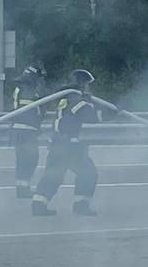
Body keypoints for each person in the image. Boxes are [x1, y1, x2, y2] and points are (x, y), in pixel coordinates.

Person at [32, 69, 105, 217]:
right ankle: (81, 205)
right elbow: (90, 116)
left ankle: (38, 205)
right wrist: (112, 112)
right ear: (82, 84)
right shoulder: (75, 99)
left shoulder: (65, 98)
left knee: (53, 175)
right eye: (87, 85)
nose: (89, 88)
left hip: (58, 144)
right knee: (89, 173)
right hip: (69, 147)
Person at [10, 65, 48, 199]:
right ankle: (23, 189)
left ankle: (22, 188)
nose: (40, 82)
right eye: (39, 79)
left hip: (22, 130)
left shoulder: (21, 88)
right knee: (30, 159)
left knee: (24, 160)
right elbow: (32, 111)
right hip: (25, 130)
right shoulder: (27, 90)